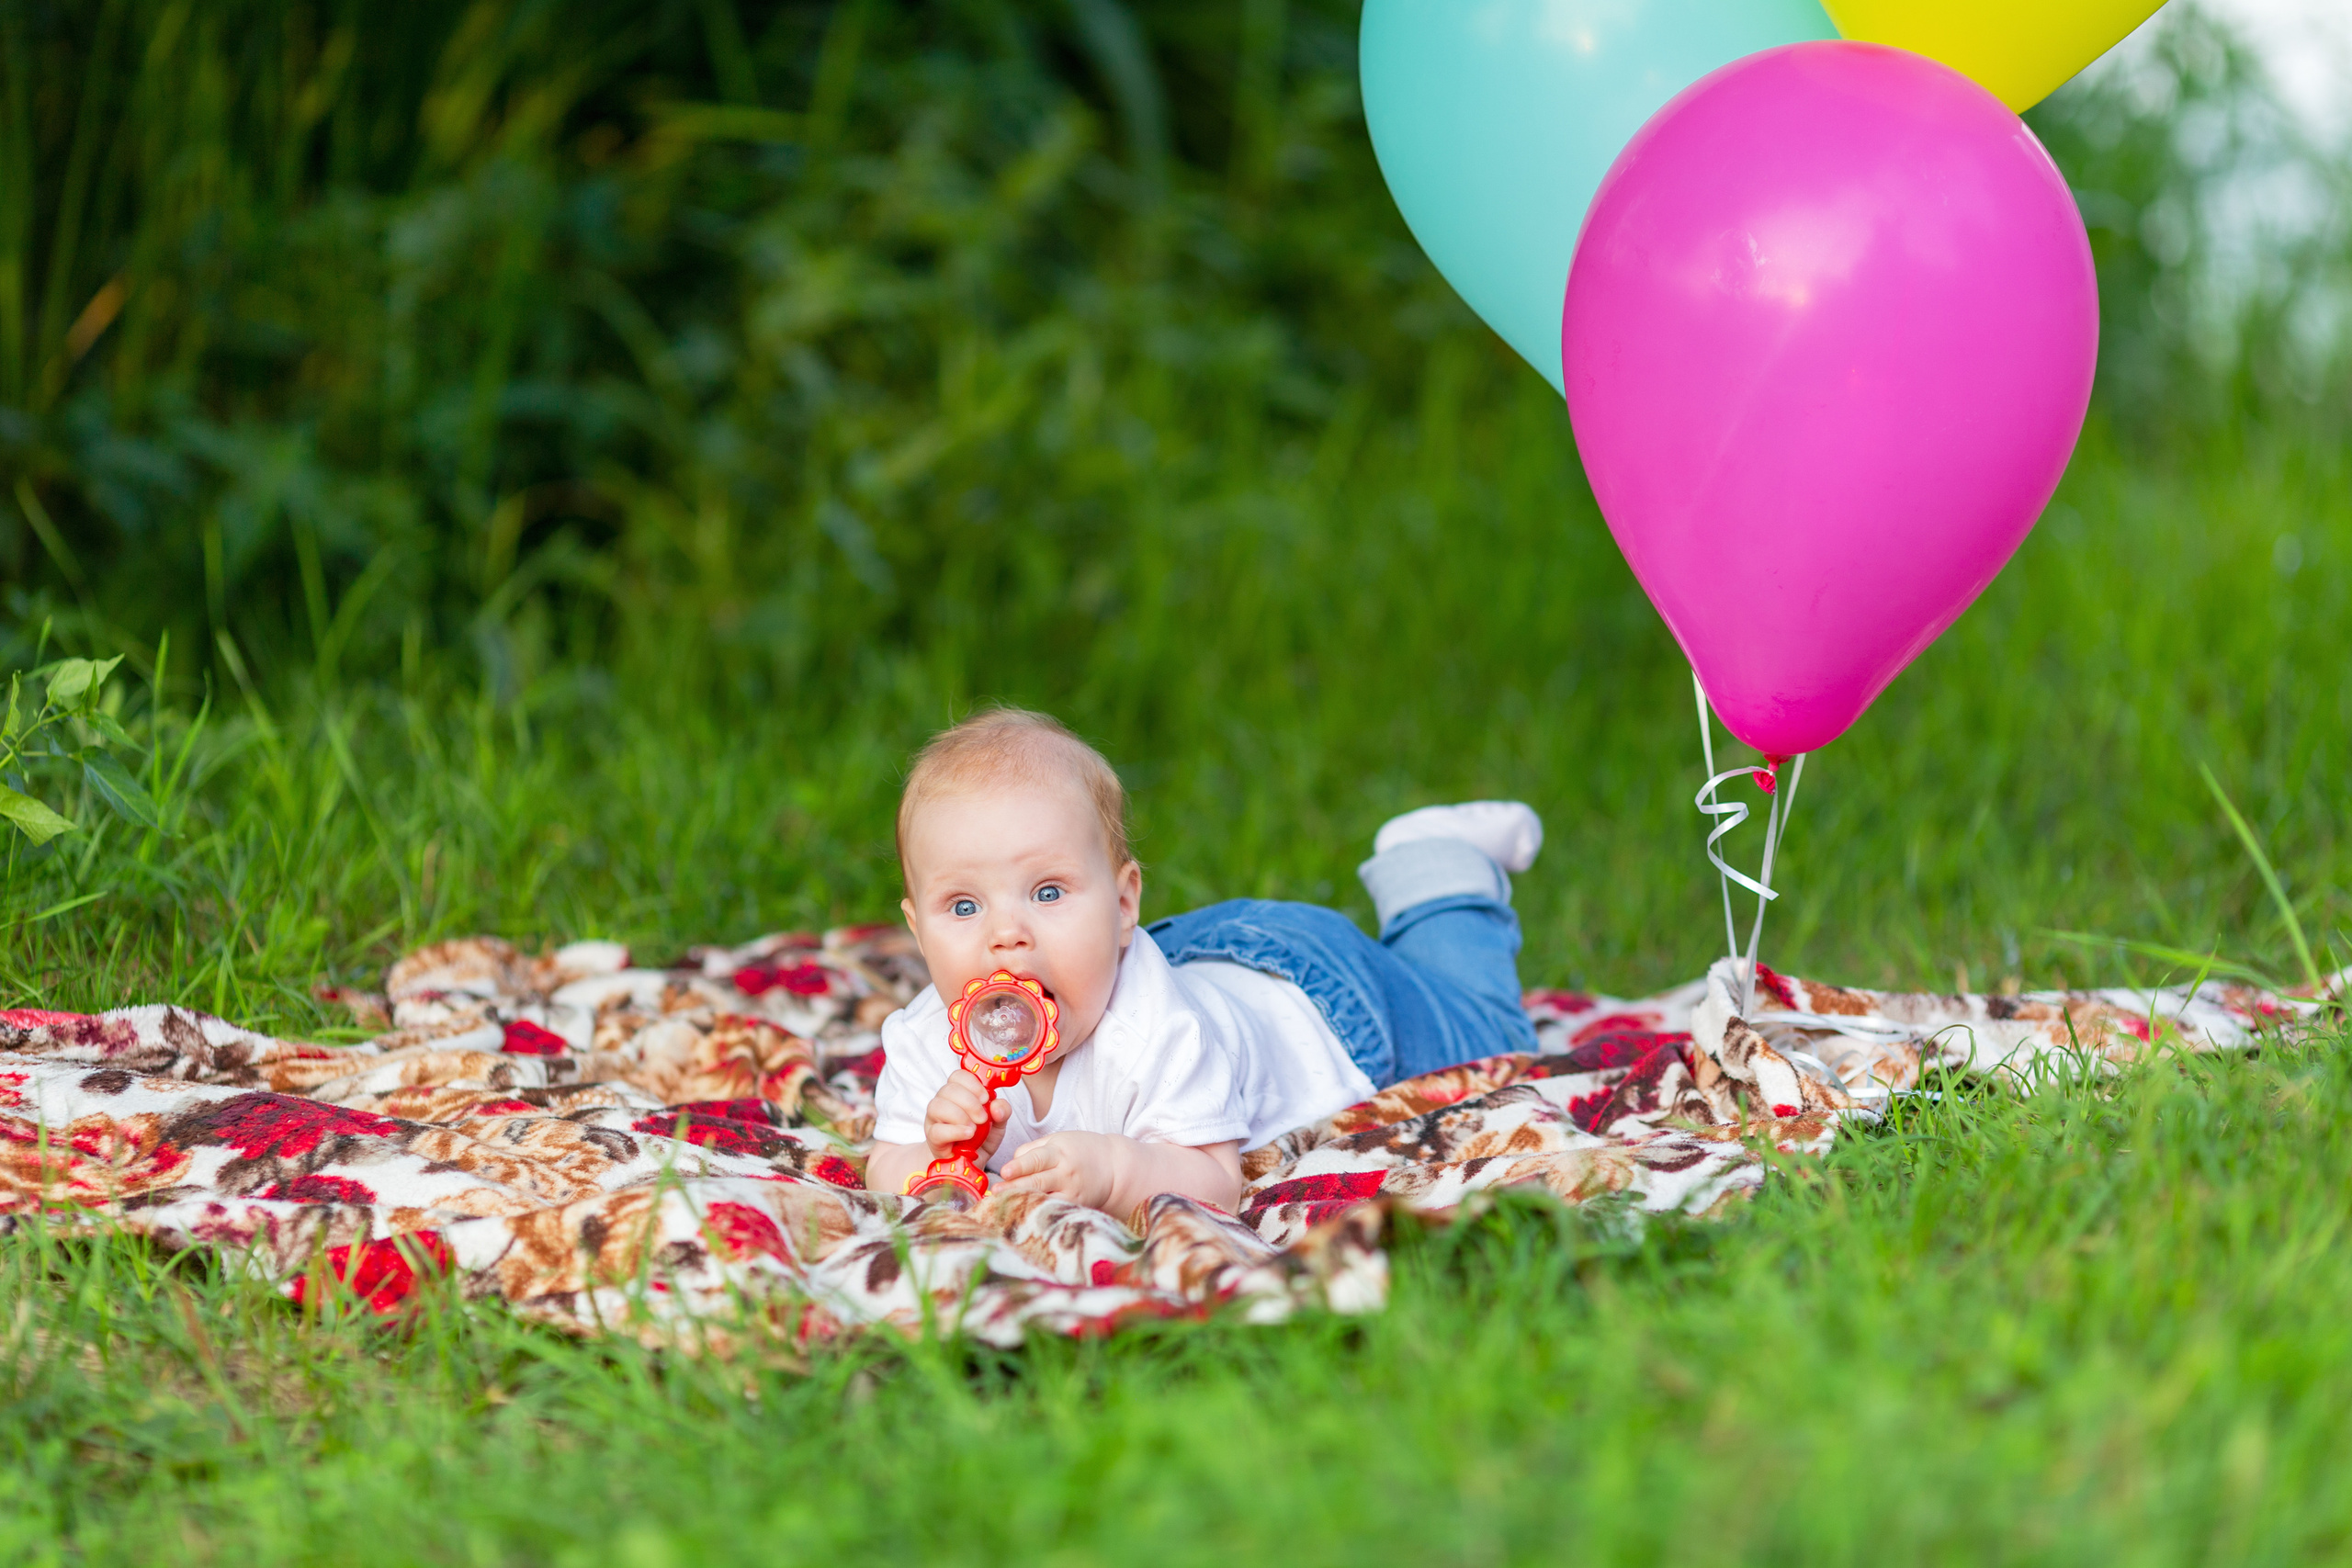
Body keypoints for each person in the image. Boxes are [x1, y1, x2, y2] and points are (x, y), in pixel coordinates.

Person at [863, 707, 1543, 1214]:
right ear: (918, 931)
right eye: (962, 906)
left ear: (1122, 902)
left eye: (1047, 891)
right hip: (1196, 959)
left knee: (1488, 1040)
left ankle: (1433, 862)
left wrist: (1117, 1172)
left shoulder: (1155, 1031)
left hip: (1319, 1001)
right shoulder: (927, 1039)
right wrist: (935, 1156)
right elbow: (884, 1162)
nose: (1006, 934)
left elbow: (1215, 1178)